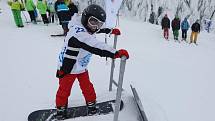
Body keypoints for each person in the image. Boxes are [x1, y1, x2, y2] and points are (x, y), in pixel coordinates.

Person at [54, 4, 129, 120]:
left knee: (87, 87)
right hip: (67, 67)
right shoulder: (77, 33)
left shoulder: (87, 27)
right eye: (93, 22)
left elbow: (95, 30)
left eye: (98, 24)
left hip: (81, 66)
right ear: (85, 17)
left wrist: (110, 30)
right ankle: (61, 110)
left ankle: (91, 105)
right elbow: (95, 46)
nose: (95, 27)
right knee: (64, 90)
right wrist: (115, 53)